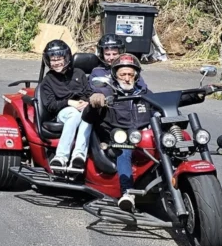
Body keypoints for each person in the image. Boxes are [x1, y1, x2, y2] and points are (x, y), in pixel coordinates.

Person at [85, 54, 152, 212]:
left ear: (136, 76)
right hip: (115, 138)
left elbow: (163, 102)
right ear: (115, 75)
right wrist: (95, 102)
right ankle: (127, 193)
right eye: (123, 74)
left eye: (130, 74)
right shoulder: (107, 92)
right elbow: (88, 116)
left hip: (140, 135)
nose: (127, 78)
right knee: (124, 149)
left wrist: (200, 92)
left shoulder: (144, 92)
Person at [38, 39, 92, 173]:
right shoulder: (48, 80)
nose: (56, 63)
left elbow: (89, 93)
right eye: (53, 60)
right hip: (61, 113)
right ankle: (61, 157)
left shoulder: (79, 73)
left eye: (59, 59)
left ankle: (78, 156)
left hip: (81, 109)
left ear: (67, 58)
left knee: (89, 115)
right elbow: (51, 105)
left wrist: (85, 102)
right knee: (73, 114)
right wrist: (69, 102)